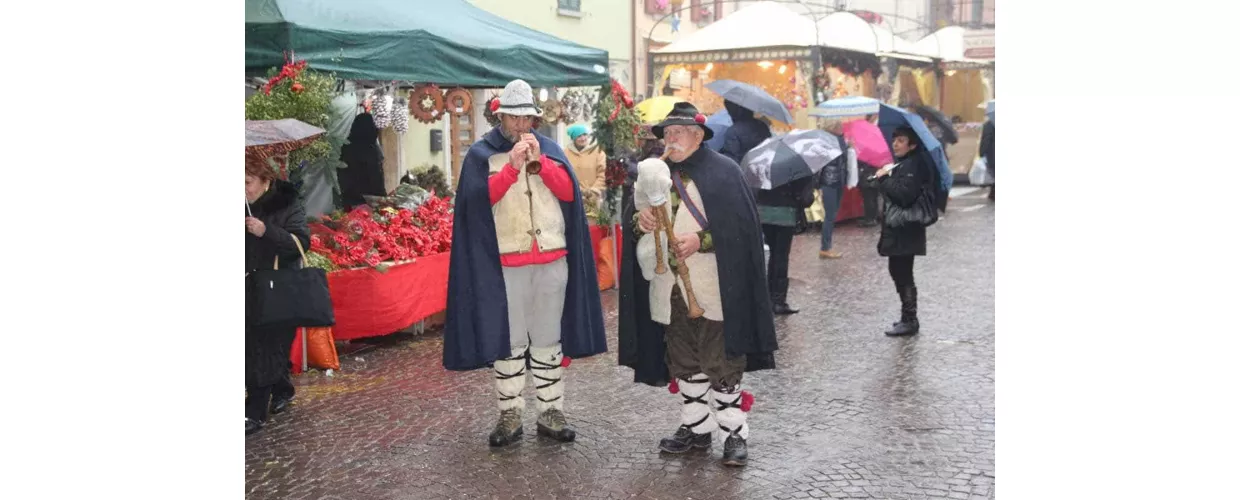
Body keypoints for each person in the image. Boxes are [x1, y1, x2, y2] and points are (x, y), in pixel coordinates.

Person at [443, 79, 607, 447]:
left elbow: (568, 194)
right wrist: (511, 169)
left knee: (549, 338)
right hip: (506, 260)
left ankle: (550, 411)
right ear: (501, 115)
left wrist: (541, 164)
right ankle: (510, 413)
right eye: (515, 118)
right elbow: (477, 204)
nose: (521, 126)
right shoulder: (481, 155)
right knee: (511, 340)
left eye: (527, 118)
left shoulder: (550, 149)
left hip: (552, 258)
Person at [618, 102, 778, 467]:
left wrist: (701, 241)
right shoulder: (654, 174)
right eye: (666, 134)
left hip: (714, 287)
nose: (670, 139)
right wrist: (639, 222)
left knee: (721, 360)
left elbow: (741, 231)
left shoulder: (724, 172)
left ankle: (734, 433)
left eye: (677, 133)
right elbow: (633, 220)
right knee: (684, 360)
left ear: (698, 135)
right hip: (668, 287)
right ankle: (697, 427)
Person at [245, 159, 310, 435]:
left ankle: (254, 412)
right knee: (258, 346)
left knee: (264, 348)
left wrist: (266, 231)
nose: (242, 189)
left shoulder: (286, 204)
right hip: (247, 286)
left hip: (276, 288)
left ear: (264, 180)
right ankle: (282, 388)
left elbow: (300, 243)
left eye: (247, 183)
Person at [874, 127, 935, 337]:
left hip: (905, 229)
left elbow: (904, 195)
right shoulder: (905, 164)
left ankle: (910, 319)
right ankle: (907, 317)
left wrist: (884, 179)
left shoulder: (913, 165)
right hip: (900, 229)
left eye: (901, 141)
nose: (896, 144)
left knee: (902, 272)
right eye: (894, 140)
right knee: (898, 271)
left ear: (912, 145)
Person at [756, 174, 815, 315]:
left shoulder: (764, 164)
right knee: (781, 256)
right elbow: (806, 199)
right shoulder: (798, 169)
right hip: (785, 215)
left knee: (774, 255)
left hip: (764, 215)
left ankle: (769, 298)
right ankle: (778, 301)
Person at [817, 119, 857, 259]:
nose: (842, 127)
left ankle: (826, 246)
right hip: (831, 181)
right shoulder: (830, 141)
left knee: (831, 215)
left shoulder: (836, 140)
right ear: (833, 127)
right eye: (839, 125)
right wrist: (847, 147)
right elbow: (837, 158)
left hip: (836, 181)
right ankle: (825, 248)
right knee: (830, 216)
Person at [337, 113, 386, 209]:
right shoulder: (371, 149)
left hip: (349, 200)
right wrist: (383, 197)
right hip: (369, 202)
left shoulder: (346, 147)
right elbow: (376, 177)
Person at [719, 100, 771, 166]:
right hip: (764, 164)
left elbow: (732, 161)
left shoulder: (732, 132)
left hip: (745, 169)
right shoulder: (762, 124)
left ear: (733, 112)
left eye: (729, 111)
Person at [564, 123, 608, 198]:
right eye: (579, 136)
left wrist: (593, 190)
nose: (583, 138)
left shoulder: (598, 152)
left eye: (585, 135)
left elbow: (602, 173)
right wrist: (577, 190)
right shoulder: (566, 153)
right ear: (573, 138)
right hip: (574, 195)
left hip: (594, 196)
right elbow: (564, 174)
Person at [855, 114, 882, 228]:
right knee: (873, 196)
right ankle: (873, 217)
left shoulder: (867, 144)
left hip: (867, 172)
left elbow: (862, 159)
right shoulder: (877, 140)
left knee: (869, 197)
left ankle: (870, 219)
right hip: (874, 171)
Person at [980, 111, 995, 201]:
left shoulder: (989, 124)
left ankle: (993, 193)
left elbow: (985, 140)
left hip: (993, 154)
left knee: (993, 173)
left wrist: (981, 153)